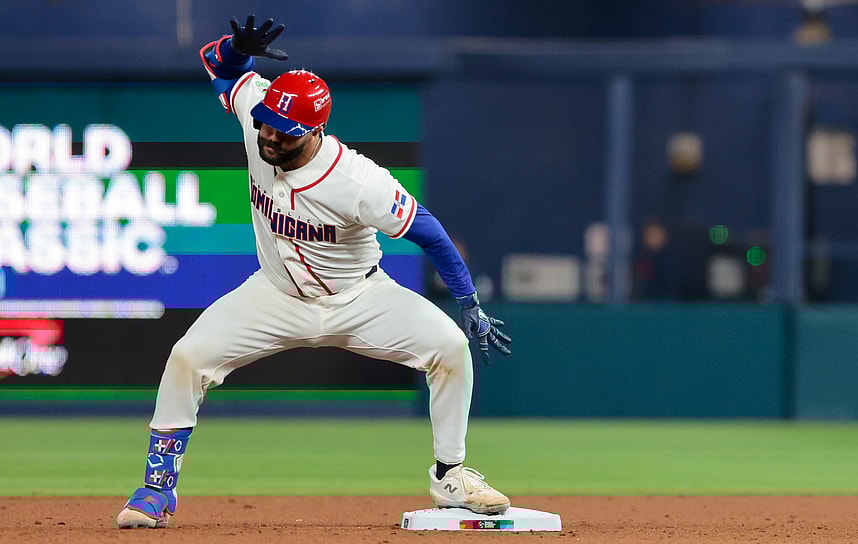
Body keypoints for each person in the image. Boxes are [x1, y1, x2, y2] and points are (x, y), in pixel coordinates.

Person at [116, 14, 512, 529]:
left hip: (360, 299)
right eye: (264, 122)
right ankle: (155, 491)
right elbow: (218, 66)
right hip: (274, 295)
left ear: (314, 130)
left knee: (451, 348)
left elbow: (429, 232)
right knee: (188, 356)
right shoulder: (258, 109)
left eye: (282, 131)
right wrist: (237, 48)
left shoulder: (358, 181)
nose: (268, 134)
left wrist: (469, 303)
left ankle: (450, 475)